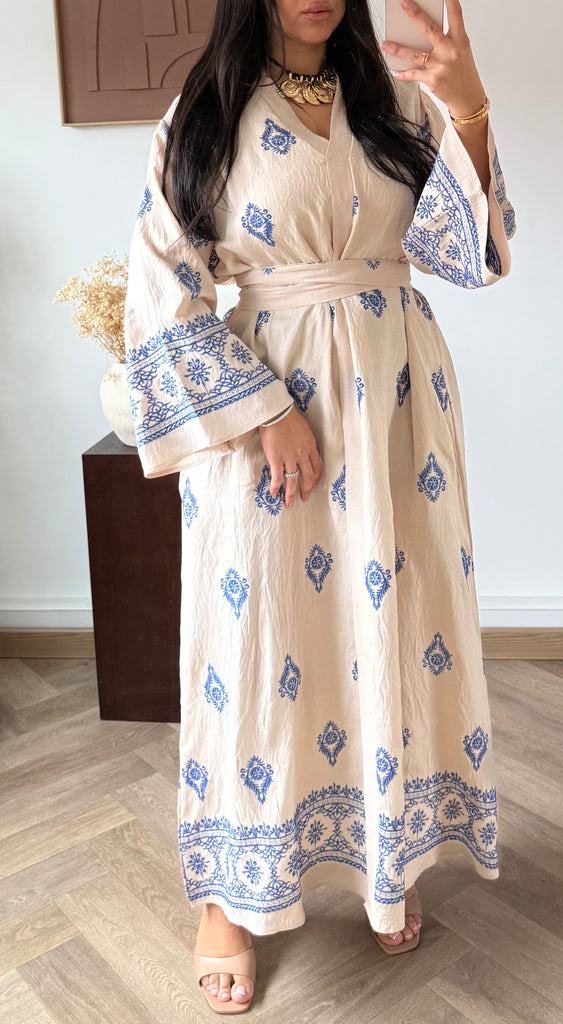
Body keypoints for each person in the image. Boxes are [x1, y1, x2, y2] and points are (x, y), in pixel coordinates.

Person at [124, 0, 515, 1012]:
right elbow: (161, 293)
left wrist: (468, 106)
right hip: (268, 413)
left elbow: (465, 254)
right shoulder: (204, 112)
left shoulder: (395, 102)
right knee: (256, 641)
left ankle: (387, 853)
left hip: (396, 407)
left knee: (395, 626)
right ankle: (228, 897)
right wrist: (264, 413)